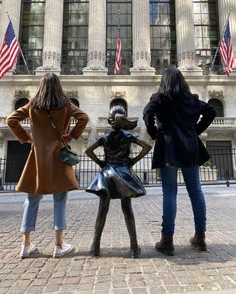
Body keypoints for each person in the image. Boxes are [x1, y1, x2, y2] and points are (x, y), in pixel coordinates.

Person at [6, 72, 89, 259]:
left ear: (41, 86)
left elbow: (11, 120)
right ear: (58, 86)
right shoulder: (66, 104)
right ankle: (59, 245)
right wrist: (71, 135)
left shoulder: (33, 105)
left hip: (37, 158)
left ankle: (25, 244)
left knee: (32, 200)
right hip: (59, 158)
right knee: (60, 201)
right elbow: (83, 118)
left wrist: (27, 139)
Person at [143, 67, 217, 256]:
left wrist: (153, 132)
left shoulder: (159, 98)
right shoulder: (191, 99)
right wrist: (196, 130)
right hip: (190, 148)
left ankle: (167, 241)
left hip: (168, 148)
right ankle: (200, 237)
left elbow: (147, 113)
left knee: (170, 193)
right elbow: (211, 111)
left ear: (164, 82)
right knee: (195, 191)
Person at [85, 105, 151, 258]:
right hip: (124, 173)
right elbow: (147, 147)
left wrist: (101, 163)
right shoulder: (128, 136)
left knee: (102, 210)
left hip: (107, 174)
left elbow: (88, 151)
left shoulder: (105, 137)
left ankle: (95, 245)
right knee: (127, 209)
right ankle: (134, 247)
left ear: (110, 121)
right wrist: (133, 160)